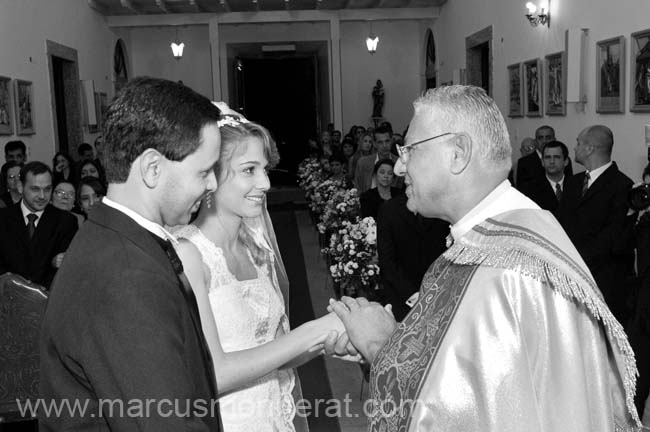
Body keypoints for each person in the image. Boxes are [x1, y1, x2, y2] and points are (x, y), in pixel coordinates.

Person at [326, 85, 641, 431]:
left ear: (458, 153)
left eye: (409, 150)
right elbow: (471, 374)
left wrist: (380, 346)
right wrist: (401, 339)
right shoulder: (492, 240)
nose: (400, 167)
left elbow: (472, 416)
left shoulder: (506, 268)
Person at [39, 77, 224, 430]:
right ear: (153, 168)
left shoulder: (112, 234)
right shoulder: (127, 277)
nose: (213, 183)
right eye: (204, 171)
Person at [174, 116, 344, 431]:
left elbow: (275, 349)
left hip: (273, 418)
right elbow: (215, 374)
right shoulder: (189, 254)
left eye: (264, 169)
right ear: (211, 176)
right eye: (249, 170)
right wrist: (314, 330)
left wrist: (332, 339)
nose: (265, 183)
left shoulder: (256, 249)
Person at [557, 125, 635, 324]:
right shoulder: (573, 183)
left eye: (578, 143)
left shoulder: (621, 186)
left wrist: (577, 260)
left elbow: (611, 238)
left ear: (590, 148)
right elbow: (563, 224)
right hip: (570, 275)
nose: (574, 148)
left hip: (603, 281)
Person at [0, 161, 78, 287]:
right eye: (35, 189)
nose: (42, 196)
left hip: (48, 299)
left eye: (47, 189)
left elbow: (66, 268)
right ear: (20, 187)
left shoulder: (66, 221)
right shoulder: (3, 219)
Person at [519, 140, 569, 214]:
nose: (552, 161)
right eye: (547, 157)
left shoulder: (577, 186)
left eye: (556, 157)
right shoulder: (529, 189)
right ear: (542, 162)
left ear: (566, 161)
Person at [516, 125, 572, 190]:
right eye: (540, 138)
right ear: (535, 141)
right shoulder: (524, 163)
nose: (544, 141)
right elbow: (521, 190)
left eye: (548, 137)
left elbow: (569, 185)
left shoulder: (564, 159)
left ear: (554, 140)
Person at [354, 125, 398, 193]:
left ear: (392, 141)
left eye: (387, 141)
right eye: (380, 142)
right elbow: (357, 189)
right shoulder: (363, 162)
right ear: (374, 144)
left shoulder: (399, 162)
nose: (384, 146)